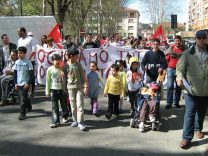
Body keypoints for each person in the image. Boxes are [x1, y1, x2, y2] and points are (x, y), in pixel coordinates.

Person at [176, 30, 208, 149]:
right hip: (191, 89)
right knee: (189, 113)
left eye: (203, 37)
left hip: (205, 89)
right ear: (196, 38)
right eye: (199, 37)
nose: (201, 39)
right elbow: (179, 69)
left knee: (201, 112)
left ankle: (198, 129)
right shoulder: (187, 53)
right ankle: (186, 138)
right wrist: (179, 78)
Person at [63, 47, 88, 131]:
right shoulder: (65, 65)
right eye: (76, 56)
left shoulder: (78, 64)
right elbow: (64, 78)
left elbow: (83, 76)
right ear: (71, 56)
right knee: (72, 105)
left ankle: (81, 122)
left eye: (78, 56)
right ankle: (75, 120)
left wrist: (85, 86)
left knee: (80, 104)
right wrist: (64, 89)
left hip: (79, 87)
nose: (77, 57)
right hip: (70, 88)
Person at [45, 54, 69, 128]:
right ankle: (55, 121)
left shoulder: (63, 69)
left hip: (62, 90)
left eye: (59, 60)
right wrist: (47, 91)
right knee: (54, 107)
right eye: (55, 60)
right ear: (52, 61)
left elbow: (67, 79)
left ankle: (65, 116)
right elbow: (48, 81)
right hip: (53, 90)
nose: (57, 62)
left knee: (64, 105)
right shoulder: (50, 69)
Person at [165, 35, 186, 109]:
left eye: (179, 40)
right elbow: (166, 59)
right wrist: (168, 66)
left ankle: (176, 102)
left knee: (178, 87)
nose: (177, 42)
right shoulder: (171, 49)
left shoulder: (184, 50)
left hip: (180, 71)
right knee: (170, 87)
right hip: (171, 69)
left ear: (181, 41)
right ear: (174, 41)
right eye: (176, 40)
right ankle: (169, 103)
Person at [14, 46, 33, 120]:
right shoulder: (16, 62)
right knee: (22, 97)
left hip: (25, 83)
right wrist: (15, 83)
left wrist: (28, 83)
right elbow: (15, 74)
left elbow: (31, 74)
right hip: (18, 83)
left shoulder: (28, 62)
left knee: (22, 99)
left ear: (25, 54)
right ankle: (29, 106)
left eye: (21, 53)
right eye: (18, 53)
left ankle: (22, 113)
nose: (19, 54)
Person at [17, 27, 37, 98]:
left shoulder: (31, 39)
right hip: (21, 61)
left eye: (18, 32)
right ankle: (25, 91)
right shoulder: (19, 40)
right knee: (23, 76)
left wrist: (28, 59)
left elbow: (34, 50)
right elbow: (18, 50)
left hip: (30, 61)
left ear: (22, 32)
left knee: (30, 76)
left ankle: (32, 91)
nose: (17, 33)